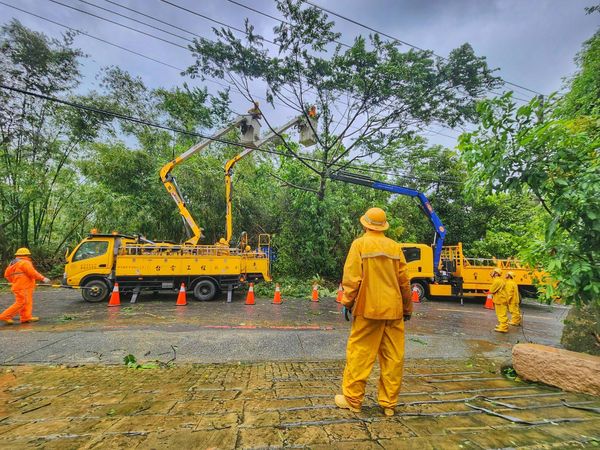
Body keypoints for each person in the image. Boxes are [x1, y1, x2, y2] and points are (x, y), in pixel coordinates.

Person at [335, 207, 412, 417]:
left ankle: (353, 400)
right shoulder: (395, 248)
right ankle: (388, 404)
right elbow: (404, 282)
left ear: (365, 224)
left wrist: (347, 302)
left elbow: (352, 279)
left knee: (360, 354)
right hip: (394, 311)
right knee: (393, 358)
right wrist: (407, 308)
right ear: (384, 226)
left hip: (368, 310)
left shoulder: (359, 244)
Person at [1, 248, 50, 325]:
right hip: (23, 286)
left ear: (17, 255)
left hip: (21, 286)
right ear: (27, 255)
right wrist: (43, 278)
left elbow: (6, 275)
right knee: (22, 302)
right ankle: (5, 316)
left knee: (27, 302)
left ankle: (26, 317)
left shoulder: (13, 263)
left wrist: (15, 281)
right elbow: (32, 273)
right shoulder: (25, 262)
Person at [489, 268, 509, 333]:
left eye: (493, 272)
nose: (491, 273)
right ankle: (502, 325)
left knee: (501, 314)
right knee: (500, 313)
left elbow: (492, 290)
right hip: (501, 299)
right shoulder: (499, 280)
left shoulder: (497, 281)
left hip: (500, 299)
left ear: (496, 273)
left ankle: (503, 327)